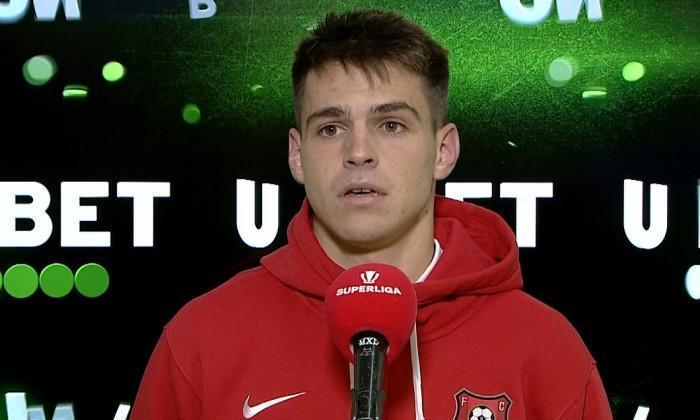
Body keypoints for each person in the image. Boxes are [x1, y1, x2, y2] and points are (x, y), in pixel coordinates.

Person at [131, 10, 613, 420]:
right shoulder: (202, 339)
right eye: (331, 128)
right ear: (297, 154)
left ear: (443, 151)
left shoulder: (545, 348)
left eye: (392, 124)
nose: (358, 152)